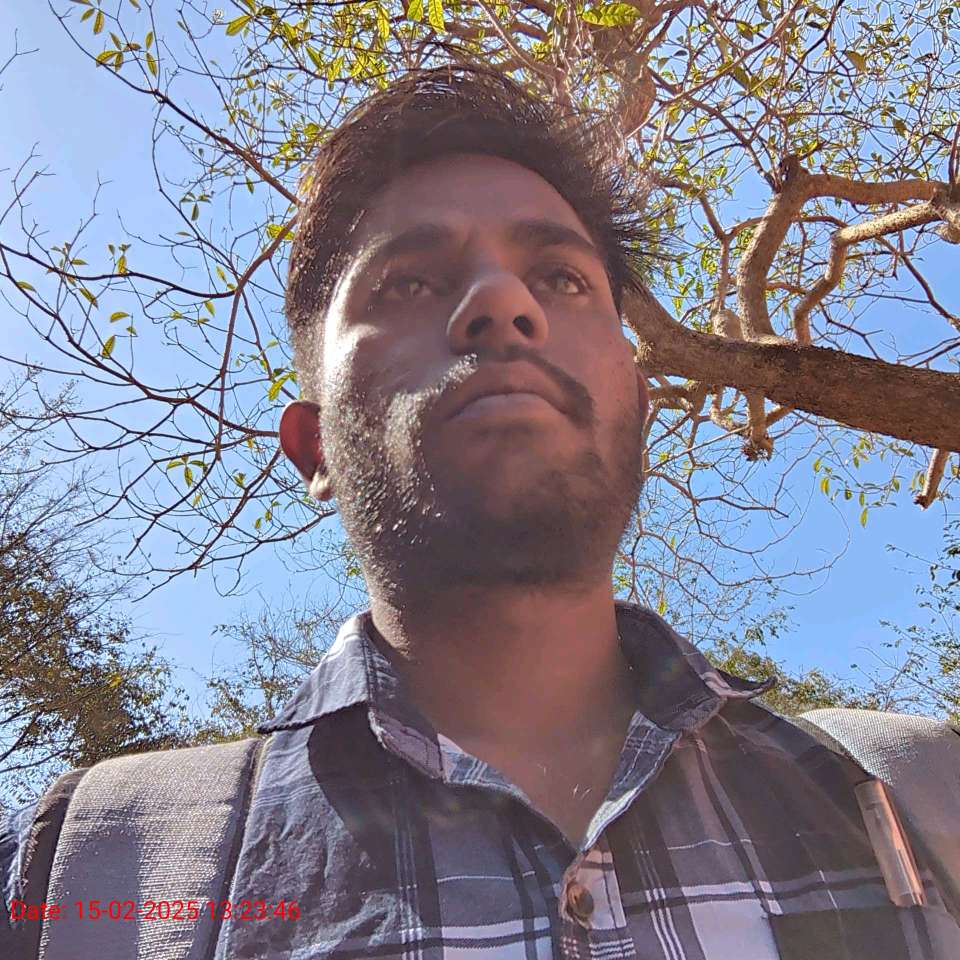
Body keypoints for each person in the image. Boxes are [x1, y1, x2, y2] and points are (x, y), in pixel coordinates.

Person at [3, 62, 959, 960]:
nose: (502, 301)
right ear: (315, 445)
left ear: (641, 413)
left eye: (563, 280)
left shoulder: (926, 794)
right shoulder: (81, 876)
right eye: (410, 282)